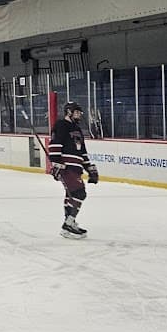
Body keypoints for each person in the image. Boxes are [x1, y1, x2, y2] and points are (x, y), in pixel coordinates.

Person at [48, 101, 98, 239]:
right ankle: (68, 225)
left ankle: (69, 224)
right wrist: (56, 164)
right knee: (79, 193)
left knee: (71, 195)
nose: (79, 114)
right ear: (69, 112)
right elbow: (54, 144)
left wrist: (89, 168)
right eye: (76, 112)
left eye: (79, 112)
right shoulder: (61, 125)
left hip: (76, 167)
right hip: (66, 166)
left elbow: (82, 151)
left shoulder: (77, 129)